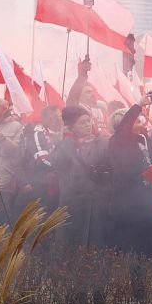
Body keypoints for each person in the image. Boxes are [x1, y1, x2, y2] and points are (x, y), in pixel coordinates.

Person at [102, 95, 152, 255]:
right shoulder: (117, 142)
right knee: (134, 248)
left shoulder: (144, 139)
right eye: (135, 121)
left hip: (150, 201)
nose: (140, 123)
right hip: (130, 204)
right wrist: (138, 105)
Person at [51, 105, 105, 248]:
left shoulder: (99, 143)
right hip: (73, 205)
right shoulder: (63, 146)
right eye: (82, 122)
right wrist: (68, 140)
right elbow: (64, 168)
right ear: (70, 127)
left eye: (89, 121)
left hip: (96, 205)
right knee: (71, 248)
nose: (88, 125)